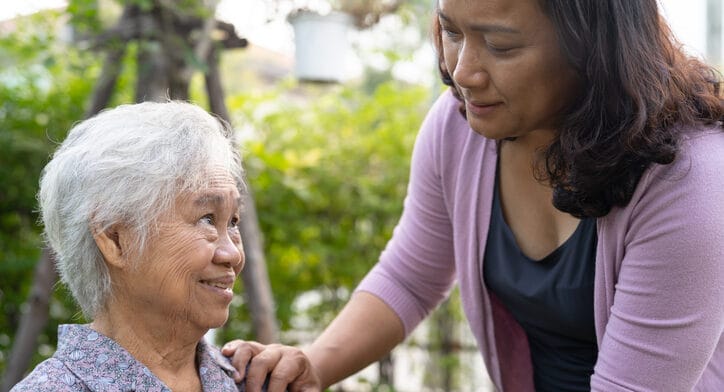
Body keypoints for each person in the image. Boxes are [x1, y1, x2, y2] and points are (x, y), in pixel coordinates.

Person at [223, 0, 724, 391]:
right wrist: (311, 364)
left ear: (592, 46)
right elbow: (410, 276)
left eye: (501, 46)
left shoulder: (688, 182)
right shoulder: (460, 126)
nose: (463, 72)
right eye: (453, 31)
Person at [11, 102, 319, 392]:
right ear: (116, 240)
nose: (233, 255)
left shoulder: (251, 381)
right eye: (207, 219)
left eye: (233, 221)